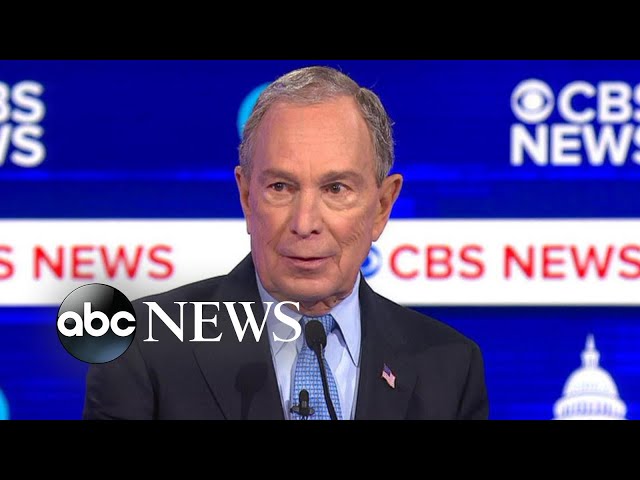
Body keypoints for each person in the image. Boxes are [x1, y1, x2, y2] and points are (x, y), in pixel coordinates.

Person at [83, 65, 489, 420]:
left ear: (382, 206)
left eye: (335, 188)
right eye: (280, 186)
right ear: (246, 197)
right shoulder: (143, 348)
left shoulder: (450, 367)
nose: (305, 223)